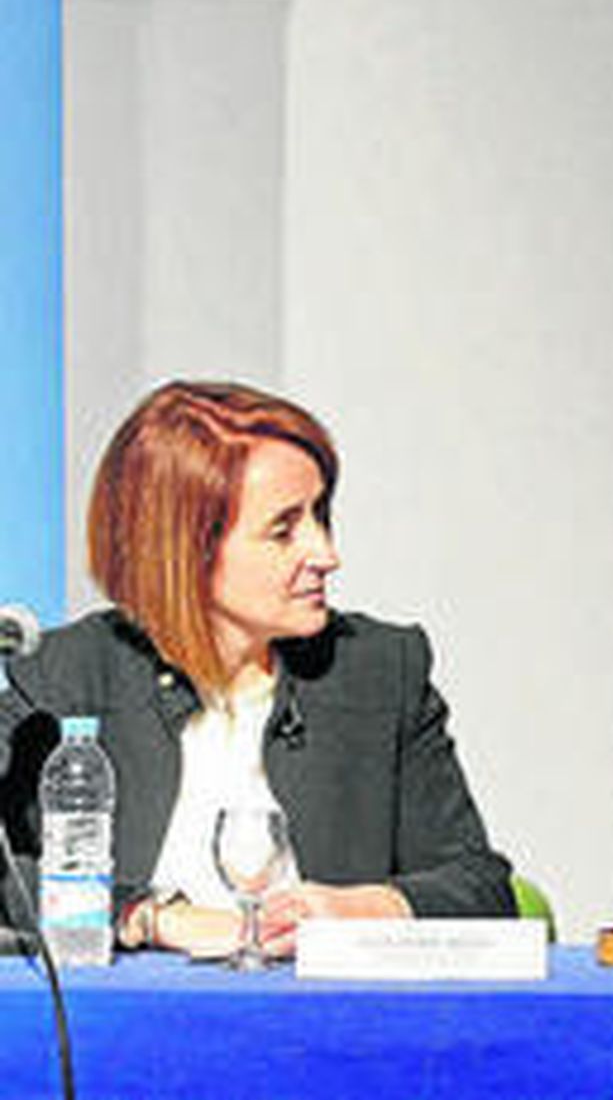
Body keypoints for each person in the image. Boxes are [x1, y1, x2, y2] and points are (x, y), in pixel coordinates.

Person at [0, 381, 515, 956]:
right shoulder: (63, 676)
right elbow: (10, 874)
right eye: (284, 529)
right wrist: (148, 914)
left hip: (323, 1033)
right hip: (118, 1034)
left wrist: (367, 907)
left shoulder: (380, 669)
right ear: (183, 549)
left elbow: (482, 887)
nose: (325, 554)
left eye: (320, 516)